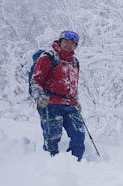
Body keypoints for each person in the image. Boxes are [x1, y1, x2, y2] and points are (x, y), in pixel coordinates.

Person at [30, 30, 85, 161]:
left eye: (73, 43)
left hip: (70, 105)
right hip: (50, 103)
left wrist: (76, 101)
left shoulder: (75, 62)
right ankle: (51, 166)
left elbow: (72, 85)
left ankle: (76, 164)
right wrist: (40, 97)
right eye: (66, 41)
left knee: (79, 133)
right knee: (53, 137)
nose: (69, 45)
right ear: (60, 42)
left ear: (75, 46)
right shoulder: (48, 57)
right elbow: (35, 81)